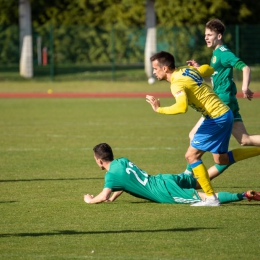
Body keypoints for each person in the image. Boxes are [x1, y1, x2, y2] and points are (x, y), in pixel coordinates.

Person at [145, 51, 260, 206]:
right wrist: (198, 68)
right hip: (224, 114)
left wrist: (159, 109)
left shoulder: (176, 83)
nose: (153, 72)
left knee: (191, 156)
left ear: (165, 69)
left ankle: (211, 198)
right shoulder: (186, 70)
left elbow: (181, 107)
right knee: (222, 160)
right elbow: (209, 70)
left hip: (216, 118)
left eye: (155, 68)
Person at [185, 18, 260, 178]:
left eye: (209, 34)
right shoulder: (215, 54)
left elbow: (245, 67)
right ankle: (194, 174)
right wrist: (198, 68)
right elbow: (216, 76)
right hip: (227, 103)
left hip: (221, 104)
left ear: (219, 36)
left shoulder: (224, 54)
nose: (206, 37)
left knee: (193, 135)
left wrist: (244, 87)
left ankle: (187, 175)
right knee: (245, 140)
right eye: (205, 34)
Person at [83, 143, 260, 205]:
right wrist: (114, 198)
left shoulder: (110, 176)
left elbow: (103, 195)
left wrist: (90, 199)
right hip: (163, 179)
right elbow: (123, 183)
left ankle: (243, 195)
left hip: (163, 192)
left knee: (205, 197)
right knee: (198, 182)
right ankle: (221, 157)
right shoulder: (121, 161)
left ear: (99, 161)